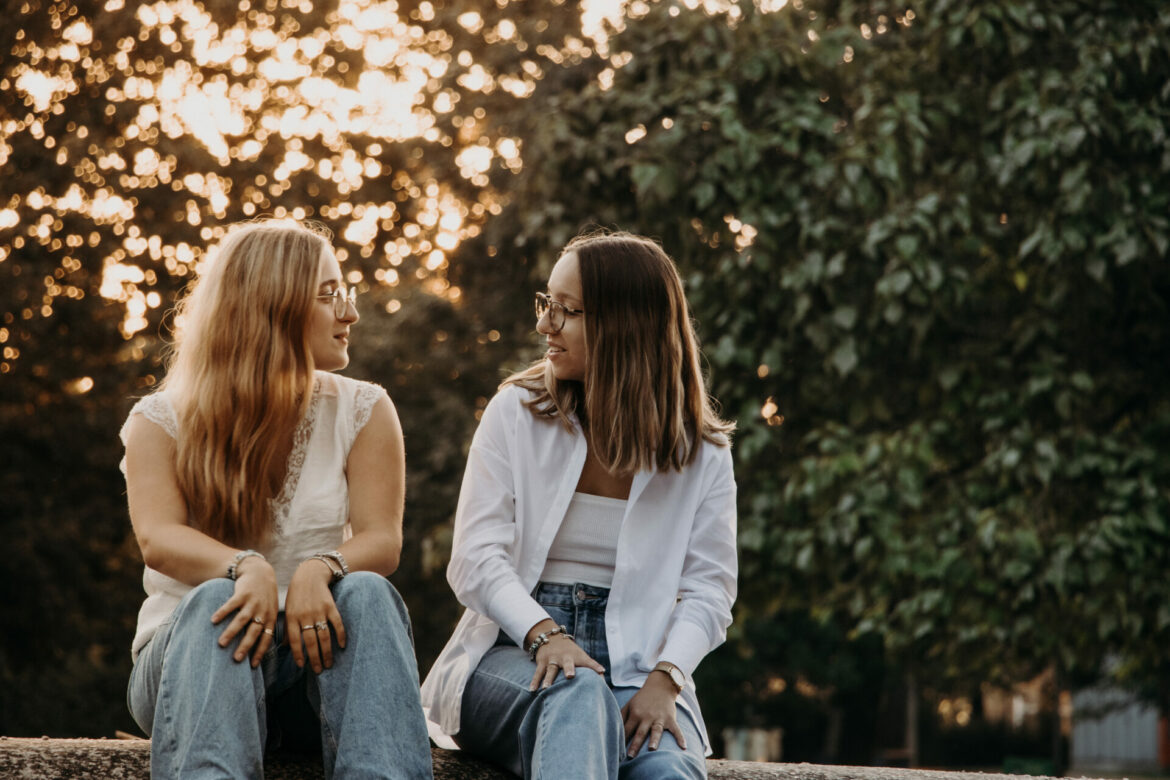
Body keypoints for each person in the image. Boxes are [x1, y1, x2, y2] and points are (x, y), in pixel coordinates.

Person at [119, 219, 433, 779]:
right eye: (329, 295)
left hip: (313, 668)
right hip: (191, 663)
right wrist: (246, 567)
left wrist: (322, 566)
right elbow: (157, 540)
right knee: (218, 596)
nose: (350, 314)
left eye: (347, 293)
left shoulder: (365, 409)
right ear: (272, 304)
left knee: (367, 592)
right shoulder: (159, 419)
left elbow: (382, 542)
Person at [421, 231, 738, 779]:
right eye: (548, 304)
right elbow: (475, 558)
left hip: (641, 668)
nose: (545, 324)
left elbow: (710, 589)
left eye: (567, 311)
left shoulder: (701, 452)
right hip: (512, 654)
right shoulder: (516, 412)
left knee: (670, 774)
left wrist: (666, 679)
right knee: (576, 692)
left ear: (625, 328)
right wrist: (546, 634)